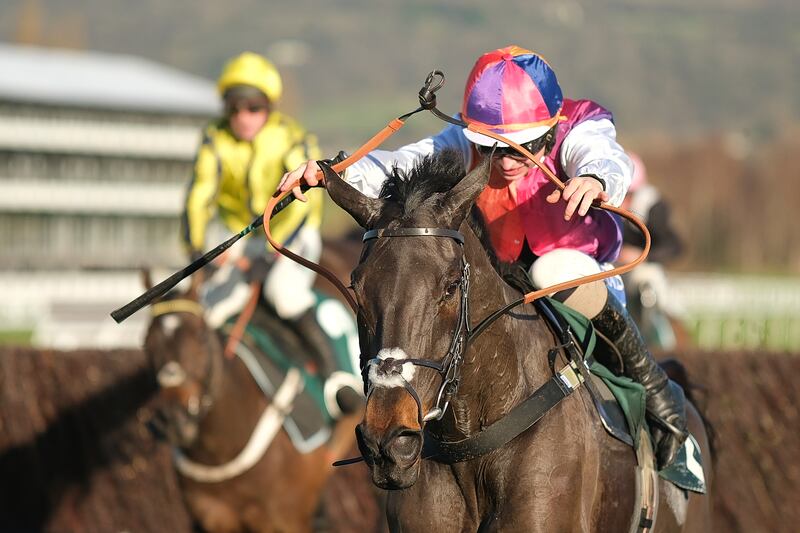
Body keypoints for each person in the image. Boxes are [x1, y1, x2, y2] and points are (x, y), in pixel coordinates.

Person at [280, 45, 689, 468]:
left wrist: (593, 176)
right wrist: (333, 171)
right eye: (494, 148)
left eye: (522, 148)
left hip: (576, 271)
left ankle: (652, 384)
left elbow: (603, 155)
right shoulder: (461, 141)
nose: (508, 161)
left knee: (553, 269)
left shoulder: (580, 126)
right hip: (499, 277)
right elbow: (400, 165)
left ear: (550, 127)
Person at [181, 51, 360, 415]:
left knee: (283, 294)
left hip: (290, 235)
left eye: (254, 107)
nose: (244, 117)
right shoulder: (214, 140)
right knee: (210, 310)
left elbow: (307, 199)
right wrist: (200, 252)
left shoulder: (292, 138)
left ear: (268, 108)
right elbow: (198, 198)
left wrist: (273, 249)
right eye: (235, 107)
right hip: (239, 237)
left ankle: (339, 376)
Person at [619, 152, 685, 350]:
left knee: (646, 283)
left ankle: (662, 345)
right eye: (621, 194)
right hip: (617, 270)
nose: (622, 202)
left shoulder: (652, 207)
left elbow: (675, 246)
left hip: (647, 270)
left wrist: (641, 256)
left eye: (628, 195)